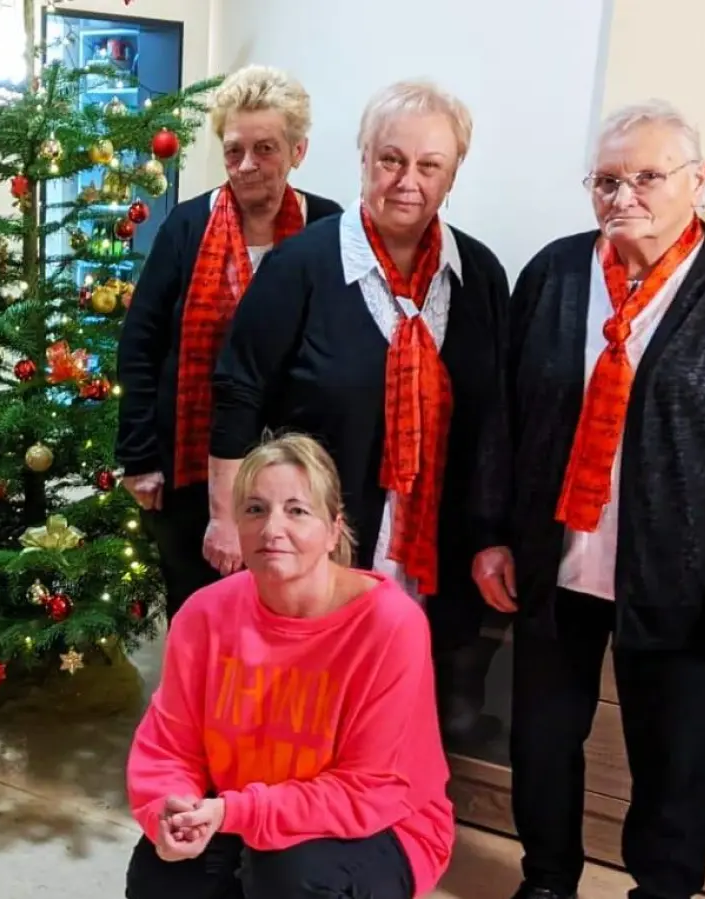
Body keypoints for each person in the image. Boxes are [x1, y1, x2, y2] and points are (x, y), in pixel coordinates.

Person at [471, 101, 705, 899]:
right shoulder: (554, 272)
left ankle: (659, 891)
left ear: (698, 182)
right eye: (607, 180)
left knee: (675, 753)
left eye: (647, 177)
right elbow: (503, 416)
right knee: (544, 739)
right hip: (557, 560)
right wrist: (492, 532)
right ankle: (548, 879)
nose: (623, 196)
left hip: (686, 573)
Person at [208, 81, 509, 740]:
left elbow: (494, 419)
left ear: (453, 173)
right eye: (391, 159)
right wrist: (227, 518)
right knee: (308, 711)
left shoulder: (480, 275)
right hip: (327, 541)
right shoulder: (301, 266)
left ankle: (384, 831)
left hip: (436, 546)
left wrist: (492, 530)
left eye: (430, 165)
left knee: (408, 715)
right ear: (363, 159)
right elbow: (239, 389)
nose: (408, 181)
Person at [125, 433, 455, 899]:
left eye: (297, 510)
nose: (271, 529)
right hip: (241, 808)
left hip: (384, 825)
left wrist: (234, 813)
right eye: (255, 510)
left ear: (333, 529)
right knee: (160, 877)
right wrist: (171, 809)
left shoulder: (391, 625)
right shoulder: (204, 615)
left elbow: (367, 788)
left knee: (287, 874)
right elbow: (169, 747)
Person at [115, 64, 341, 621]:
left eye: (265, 149)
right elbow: (140, 344)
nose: (246, 166)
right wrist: (141, 455)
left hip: (295, 470)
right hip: (188, 468)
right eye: (234, 149)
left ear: (298, 151)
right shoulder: (187, 228)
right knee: (200, 612)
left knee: (288, 613)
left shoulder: (329, 230)